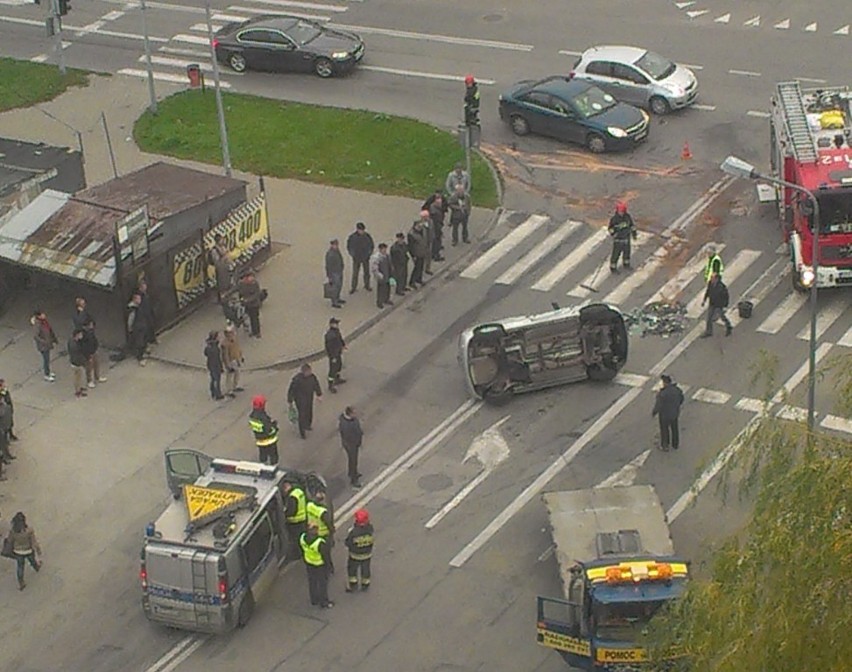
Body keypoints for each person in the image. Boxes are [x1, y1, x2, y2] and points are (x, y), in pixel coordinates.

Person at [300, 523, 333, 608]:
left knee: (312, 582)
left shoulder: (302, 537)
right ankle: (324, 602)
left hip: (309, 563)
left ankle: (314, 600)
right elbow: (325, 556)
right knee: (322, 583)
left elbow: (302, 550)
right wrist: (329, 566)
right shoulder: (320, 543)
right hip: (319, 565)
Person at [7, 512, 42, 590]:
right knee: (32, 560)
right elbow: (33, 541)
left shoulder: (13, 531)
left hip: (18, 551)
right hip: (28, 550)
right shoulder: (29, 530)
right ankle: (36, 567)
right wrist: (38, 550)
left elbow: (9, 541)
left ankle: (21, 582)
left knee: (20, 567)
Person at [287, 363, 323, 439]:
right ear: (304, 372)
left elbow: (316, 385)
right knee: (302, 415)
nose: (310, 373)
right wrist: (290, 400)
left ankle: (308, 425)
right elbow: (291, 390)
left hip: (309, 397)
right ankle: (302, 431)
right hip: (300, 400)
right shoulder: (297, 380)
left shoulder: (312, 377)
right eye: (308, 372)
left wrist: (319, 394)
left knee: (309, 411)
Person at [652, 374, 684, 451]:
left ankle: (665, 445)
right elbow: (681, 399)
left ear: (665, 383)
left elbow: (658, 405)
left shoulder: (662, 394)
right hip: (674, 413)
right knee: (674, 428)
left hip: (664, 415)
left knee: (664, 430)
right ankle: (675, 444)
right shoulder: (677, 390)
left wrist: (654, 412)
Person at [345, 509, 374, 592]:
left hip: (354, 556)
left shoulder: (353, 532)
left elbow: (348, 543)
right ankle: (365, 584)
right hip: (367, 555)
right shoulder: (370, 529)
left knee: (352, 570)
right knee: (365, 569)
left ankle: (353, 585)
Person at [249, 394, 279, 465]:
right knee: (273, 457)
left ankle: (263, 468)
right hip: (269, 441)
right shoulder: (263, 417)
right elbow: (269, 430)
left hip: (260, 441)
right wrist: (274, 426)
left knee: (263, 456)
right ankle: (273, 469)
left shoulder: (252, 416)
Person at [608, 201, 638, 273]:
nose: (621, 213)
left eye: (622, 211)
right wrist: (615, 230)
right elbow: (610, 229)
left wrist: (634, 234)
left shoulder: (627, 217)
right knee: (616, 254)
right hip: (618, 240)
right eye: (620, 211)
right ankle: (613, 267)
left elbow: (632, 226)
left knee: (627, 252)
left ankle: (626, 264)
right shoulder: (614, 219)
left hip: (626, 239)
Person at [701, 272, 733, 338]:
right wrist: (704, 300)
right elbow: (708, 291)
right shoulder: (710, 283)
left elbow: (726, 297)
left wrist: (725, 306)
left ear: (717, 279)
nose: (711, 279)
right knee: (709, 318)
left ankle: (728, 326)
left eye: (712, 277)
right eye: (711, 277)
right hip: (712, 303)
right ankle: (709, 331)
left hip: (719, 305)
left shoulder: (721, 287)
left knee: (722, 316)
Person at [338, 406, 363, 488]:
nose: (356, 414)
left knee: (353, 459)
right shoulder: (345, 424)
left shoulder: (352, 420)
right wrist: (356, 441)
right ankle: (353, 479)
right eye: (354, 413)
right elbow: (348, 436)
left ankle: (352, 473)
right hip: (351, 445)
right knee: (353, 460)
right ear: (350, 414)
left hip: (354, 443)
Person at [347, 221, 374, 294]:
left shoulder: (367, 236)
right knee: (355, 273)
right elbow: (349, 247)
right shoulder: (352, 237)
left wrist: (369, 253)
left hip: (365, 257)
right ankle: (353, 287)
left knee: (367, 272)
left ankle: (367, 285)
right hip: (356, 258)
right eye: (361, 230)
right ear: (357, 229)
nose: (362, 231)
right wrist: (353, 254)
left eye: (363, 230)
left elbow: (371, 245)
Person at [282, 481, 307, 558]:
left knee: (296, 539)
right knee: (302, 537)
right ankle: (303, 552)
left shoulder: (292, 497)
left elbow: (292, 511)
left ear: (286, 487)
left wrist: (284, 513)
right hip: (303, 518)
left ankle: (298, 554)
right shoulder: (298, 491)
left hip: (295, 521)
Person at [31, 309, 58, 381]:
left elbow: (50, 330)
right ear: (39, 316)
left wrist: (54, 339)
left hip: (47, 343)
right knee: (46, 360)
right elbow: (36, 336)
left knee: (47, 359)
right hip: (43, 346)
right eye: (42, 314)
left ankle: (48, 372)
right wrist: (44, 341)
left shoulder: (44, 322)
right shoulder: (38, 324)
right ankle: (46, 374)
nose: (44, 315)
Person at [80, 318, 106, 389]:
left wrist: (96, 346)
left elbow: (94, 339)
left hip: (94, 350)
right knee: (89, 367)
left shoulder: (91, 331)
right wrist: (87, 355)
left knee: (96, 364)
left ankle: (97, 377)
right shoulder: (83, 334)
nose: (92, 326)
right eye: (91, 324)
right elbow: (83, 346)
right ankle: (89, 381)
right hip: (89, 353)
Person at [237, 270, 263, 338]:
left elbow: (256, 294)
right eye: (250, 277)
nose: (252, 279)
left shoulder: (255, 284)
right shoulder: (241, 284)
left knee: (255, 318)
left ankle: (257, 332)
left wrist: (247, 300)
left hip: (254, 304)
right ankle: (253, 331)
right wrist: (226, 294)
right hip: (247, 304)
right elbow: (236, 289)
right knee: (250, 318)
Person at [221, 324, 244, 398]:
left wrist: (241, 356)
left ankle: (235, 386)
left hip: (236, 359)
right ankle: (229, 390)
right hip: (231, 361)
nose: (232, 334)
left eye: (232, 332)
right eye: (230, 333)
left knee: (237, 373)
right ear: (226, 334)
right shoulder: (225, 343)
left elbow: (238, 348)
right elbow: (225, 355)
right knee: (230, 376)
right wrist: (227, 365)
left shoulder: (234, 340)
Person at [324, 317, 346, 393]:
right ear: (331, 324)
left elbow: (340, 338)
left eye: (337, 323)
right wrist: (332, 357)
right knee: (332, 370)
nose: (337, 325)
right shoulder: (330, 335)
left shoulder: (336, 331)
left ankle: (337, 379)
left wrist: (343, 345)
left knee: (339, 366)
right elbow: (329, 348)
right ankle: (330, 385)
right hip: (333, 355)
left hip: (338, 353)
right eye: (335, 323)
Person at [126, 293, 148, 366]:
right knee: (140, 342)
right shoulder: (133, 309)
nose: (140, 300)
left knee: (142, 341)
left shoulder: (138, 307)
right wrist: (130, 328)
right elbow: (130, 320)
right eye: (138, 299)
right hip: (137, 327)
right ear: (134, 299)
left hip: (141, 326)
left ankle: (142, 354)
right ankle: (140, 358)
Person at [209, 234, 232, 304]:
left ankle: (228, 297)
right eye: (221, 239)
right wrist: (224, 257)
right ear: (218, 241)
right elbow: (217, 262)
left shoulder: (223, 247)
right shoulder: (214, 251)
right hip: (220, 270)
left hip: (226, 268)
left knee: (228, 283)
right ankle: (223, 300)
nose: (223, 241)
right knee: (222, 285)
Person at [424, 190, 446, 262]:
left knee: (436, 240)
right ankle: (436, 255)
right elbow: (436, 221)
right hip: (436, 227)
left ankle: (434, 253)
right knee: (436, 240)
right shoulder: (434, 211)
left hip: (437, 225)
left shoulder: (437, 208)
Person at [370, 243, 393, 309]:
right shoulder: (377, 257)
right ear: (380, 249)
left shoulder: (387, 256)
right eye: (383, 249)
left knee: (387, 288)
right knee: (381, 289)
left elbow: (390, 265)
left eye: (385, 249)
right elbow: (374, 268)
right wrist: (379, 275)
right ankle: (379, 302)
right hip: (381, 276)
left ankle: (386, 299)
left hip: (388, 274)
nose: (385, 250)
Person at [324, 238, 346, 309]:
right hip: (334, 273)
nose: (336, 246)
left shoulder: (337, 251)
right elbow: (328, 266)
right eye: (335, 245)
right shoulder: (330, 254)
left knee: (339, 286)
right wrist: (329, 276)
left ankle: (337, 298)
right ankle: (334, 301)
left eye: (337, 244)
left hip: (339, 271)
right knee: (335, 287)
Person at [407, 219, 429, 288]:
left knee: (421, 267)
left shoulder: (422, 231)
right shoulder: (411, 234)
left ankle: (419, 279)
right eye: (418, 226)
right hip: (417, 254)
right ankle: (412, 281)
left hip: (422, 252)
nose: (420, 227)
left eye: (420, 225)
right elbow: (411, 247)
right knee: (416, 268)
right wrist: (413, 255)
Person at [204, 331, 225, 401]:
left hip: (212, 364)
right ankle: (217, 394)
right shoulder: (214, 347)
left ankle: (213, 392)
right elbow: (217, 357)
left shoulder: (209, 346)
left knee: (213, 379)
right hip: (215, 365)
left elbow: (206, 354)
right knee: (216, 379)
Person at [68, 329, 88, 398]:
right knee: (77, 378)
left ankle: (79, 388)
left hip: (74, 362)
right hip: (76, 363)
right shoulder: (74, 345)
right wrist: (83, 362)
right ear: (77, 335)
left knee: (78, 377)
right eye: (80, 334)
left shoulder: (71, 341)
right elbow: (78, 355)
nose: (81, 336)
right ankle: (78, 391)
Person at [136, 280, 157, 347]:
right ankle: (145, 345)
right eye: (142, 286)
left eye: (145, 285)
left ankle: (152, 340)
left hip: (148, 313)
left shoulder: (146, 294)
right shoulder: (139, 295)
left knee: (151, 326)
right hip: (143, 315)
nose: (145, 287)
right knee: (144, 331)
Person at [0, 396, 15, 468]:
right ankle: (5, 458)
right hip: (1, 430)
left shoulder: (4, 405)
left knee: (5, 444)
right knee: (2, 446)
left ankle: (8, 455)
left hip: (5, 428)